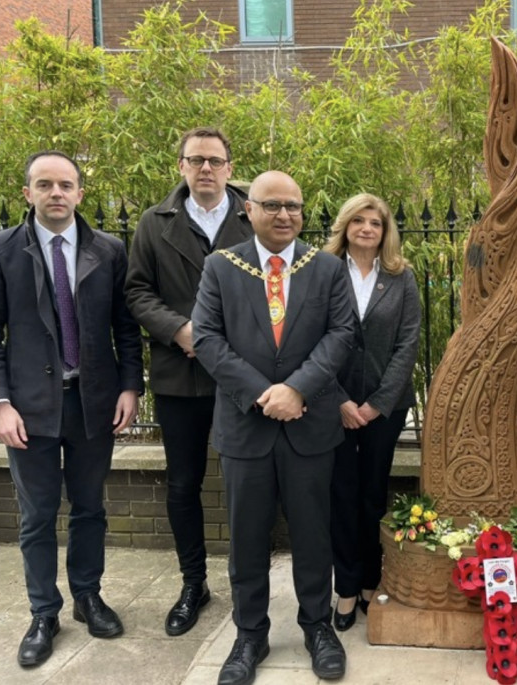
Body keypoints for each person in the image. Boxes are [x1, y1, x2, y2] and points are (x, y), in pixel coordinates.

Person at [0, 151, 143, 668]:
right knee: (38, 515)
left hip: (92, 404)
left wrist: (130, 387)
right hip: (29, 407)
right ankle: (44, 611)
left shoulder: (108, 249)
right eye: (44, 184)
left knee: (90, 508)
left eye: (65, 184)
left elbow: (125, 327)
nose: (56, 193)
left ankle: (88, 596)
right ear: (28, 193)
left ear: (80, 193)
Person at [192, 171, 355, 684]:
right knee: (246, 538)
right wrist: (266, 394)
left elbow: (341, 332)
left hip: (310, 426)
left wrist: (298, 389)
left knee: (313, 533)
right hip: (246, 428)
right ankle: (250, 634)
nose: (285, 214)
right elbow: (208, 338)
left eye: (294, 205)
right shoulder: (222, 267)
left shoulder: (326, 267)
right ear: (248, 209)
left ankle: (316, 626)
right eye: (272, 205)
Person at [125, 126, 252, 636]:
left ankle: (250, 585)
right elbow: (136, 291)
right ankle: (193, 583)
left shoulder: (256, 214)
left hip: (244, 377)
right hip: (181, 376)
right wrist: (180, 329)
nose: (205, 168)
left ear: (228, 166)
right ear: (181, 165)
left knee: (249, 483)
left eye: (214, 160)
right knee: (183, 485)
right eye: (195, 159)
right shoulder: (154, 225)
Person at [323, 193, 421, 632]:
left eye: (375, 223)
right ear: (345, 226)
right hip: (332, 403)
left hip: (386, 406)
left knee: (372, 494)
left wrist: (377, 403)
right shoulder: (322, 272)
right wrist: (338, 399)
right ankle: (345, 587)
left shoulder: (401, 277)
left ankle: (369, 580)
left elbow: (408, 343)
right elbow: (309, 339)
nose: (366, 228)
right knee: (340, 494)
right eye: (358, 220)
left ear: (386, 231)